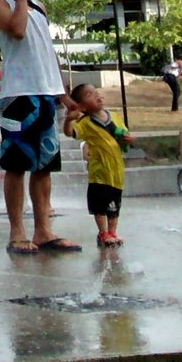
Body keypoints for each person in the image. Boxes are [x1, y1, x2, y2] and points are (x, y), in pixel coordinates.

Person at [0, 0, 79, 255]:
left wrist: (62, 94)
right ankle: (17, 232)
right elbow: (16, 30)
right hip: (17, 96)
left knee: (44, 165)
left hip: (44, 95)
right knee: (16, 165)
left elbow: (45, 53)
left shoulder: (39, 6)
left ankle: (43, 230)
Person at [64, 82, 131, 246]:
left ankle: (112, 232)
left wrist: (128, 138)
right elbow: (70, 132)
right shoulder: (85, 122)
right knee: (100, 205)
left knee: (114, 206)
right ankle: (102, 233)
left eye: (96, 92)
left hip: (116, 172)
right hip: (99, 173)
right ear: (81, 106)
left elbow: (123, 133)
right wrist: (68, 120)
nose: (96, 95)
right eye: (90, 95)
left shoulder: (114, 116)